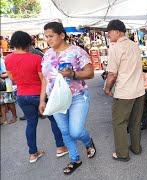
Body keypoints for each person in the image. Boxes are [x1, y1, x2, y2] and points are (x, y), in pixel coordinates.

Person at [40, 22, 96, 175]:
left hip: (77, 97)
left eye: (51, 36)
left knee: (76, 131)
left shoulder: (77, 51)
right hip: (56, 99)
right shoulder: (47, 54)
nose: (48, 39)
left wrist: (73, 74)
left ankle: (88, 141)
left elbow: (90, 73)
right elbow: (44, 79)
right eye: (46, 36)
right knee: (65, 131)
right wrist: (42, 100)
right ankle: (75, 158)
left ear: (62, 35)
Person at [4, 31, 68, 163]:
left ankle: (33, 154)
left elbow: (12, 78)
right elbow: (43, 79)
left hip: (22, 95)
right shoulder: (36, 58)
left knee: (31, 124)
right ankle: (60, 147)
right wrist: (42, 99)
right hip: (38, 94)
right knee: (54, 120)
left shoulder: (8, 59)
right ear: (28, 43)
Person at [103, 19, 145, 162]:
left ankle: (122, 154)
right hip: (139, 91)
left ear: (117, 31)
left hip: (124, 92)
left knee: (119, 123)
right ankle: (136, 148)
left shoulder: (115, 48)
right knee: (135, 121)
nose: (109, 35)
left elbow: (112, 74)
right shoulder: (135, 46)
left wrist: (107, 89)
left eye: (109, 32)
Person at [0, 57, 17, 125]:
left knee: (9, 101)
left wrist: (1, 75)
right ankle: (4, 119)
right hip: (3, 83)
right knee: (2, 102)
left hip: (6, 83)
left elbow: (9, 73)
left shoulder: (2, 61)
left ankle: (14, 116)